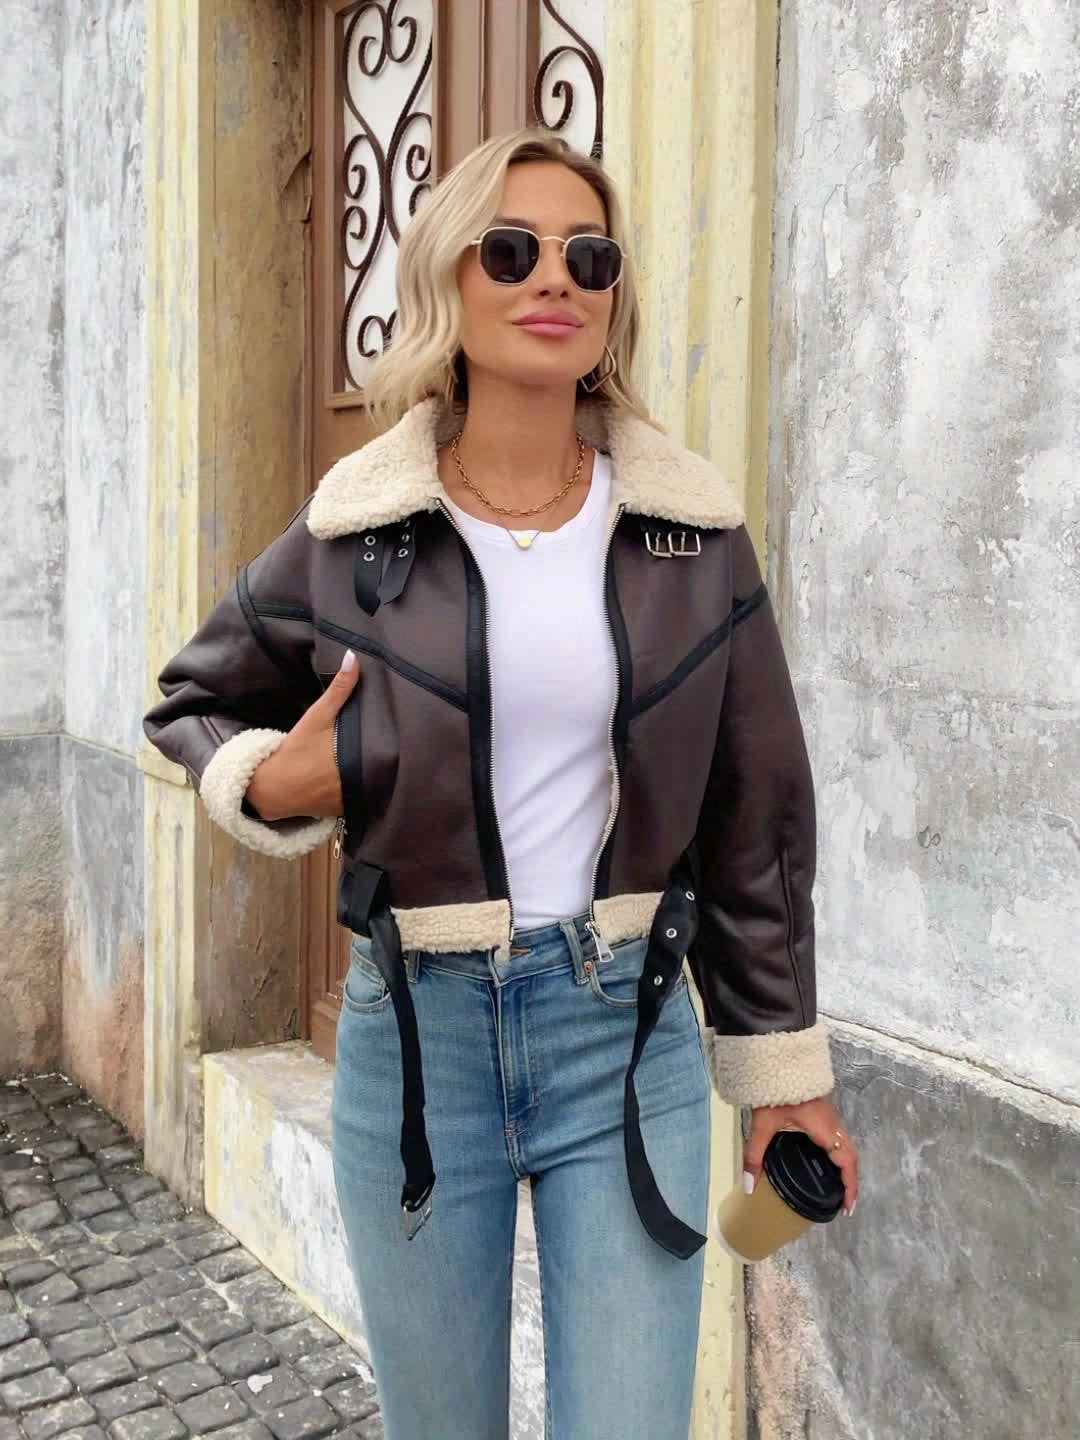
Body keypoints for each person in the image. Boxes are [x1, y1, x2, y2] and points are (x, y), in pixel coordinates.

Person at [144, 126, 859, 1440]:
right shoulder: (358, 530)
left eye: (591, 256)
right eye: (514, 249)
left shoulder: (690, 534)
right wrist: (272, 779)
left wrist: (781, 1072)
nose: (557, 278)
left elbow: (755, 817)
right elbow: (191, 705)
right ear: (449, 279)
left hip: (625, 1031)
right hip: (419, 1043)